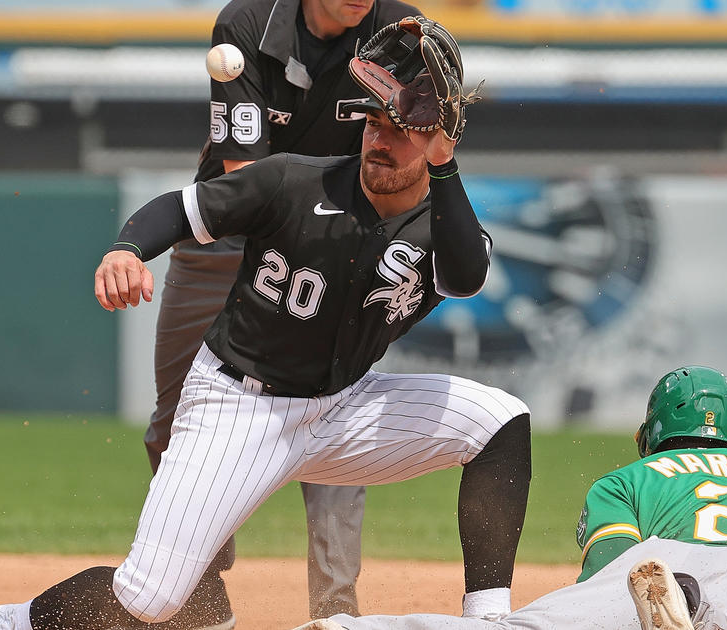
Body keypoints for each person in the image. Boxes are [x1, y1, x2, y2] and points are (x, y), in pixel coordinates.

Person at [0, 23, 532, 630]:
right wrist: (126, 250)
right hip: (238, 405)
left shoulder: (446, 221)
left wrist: (446, 168)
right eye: (373, 123)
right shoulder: (294, 180)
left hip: (343, 408)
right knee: (148, 599)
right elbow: (179, 207)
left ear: (437, 141)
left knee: (498, 422)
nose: (380, 140)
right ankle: (3, 624)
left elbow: (464, 277)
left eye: (400, 130)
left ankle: (489, 621)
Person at [151, 0, 424, 623]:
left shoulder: (400, 32)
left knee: (326, 410)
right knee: (174, 419)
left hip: (341, 237)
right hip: (226, 231)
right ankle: (199, 592)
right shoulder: (248, 26)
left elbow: (417, 148)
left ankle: (334, 612)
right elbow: (245, 174)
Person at [290, 366, 727, 630]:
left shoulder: (627, 481)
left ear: (651, 434)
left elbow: (613, 579)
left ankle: (354, 629)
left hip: (655, 576)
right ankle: (695, 610)